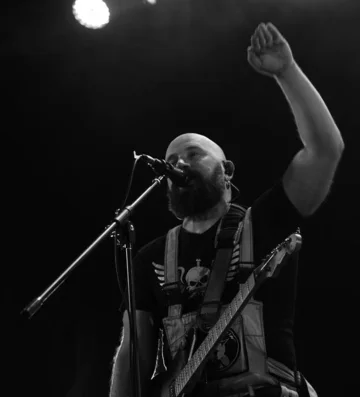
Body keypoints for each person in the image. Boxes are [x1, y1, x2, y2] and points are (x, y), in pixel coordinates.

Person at [109, 22, 343, 397]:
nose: (179, 164)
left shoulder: (265, 222)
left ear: (227, 170)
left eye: (193, 155)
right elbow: (131, 354)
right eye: (171, 160)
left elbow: (325, 151)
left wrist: (287, 72)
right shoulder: (148, 259)